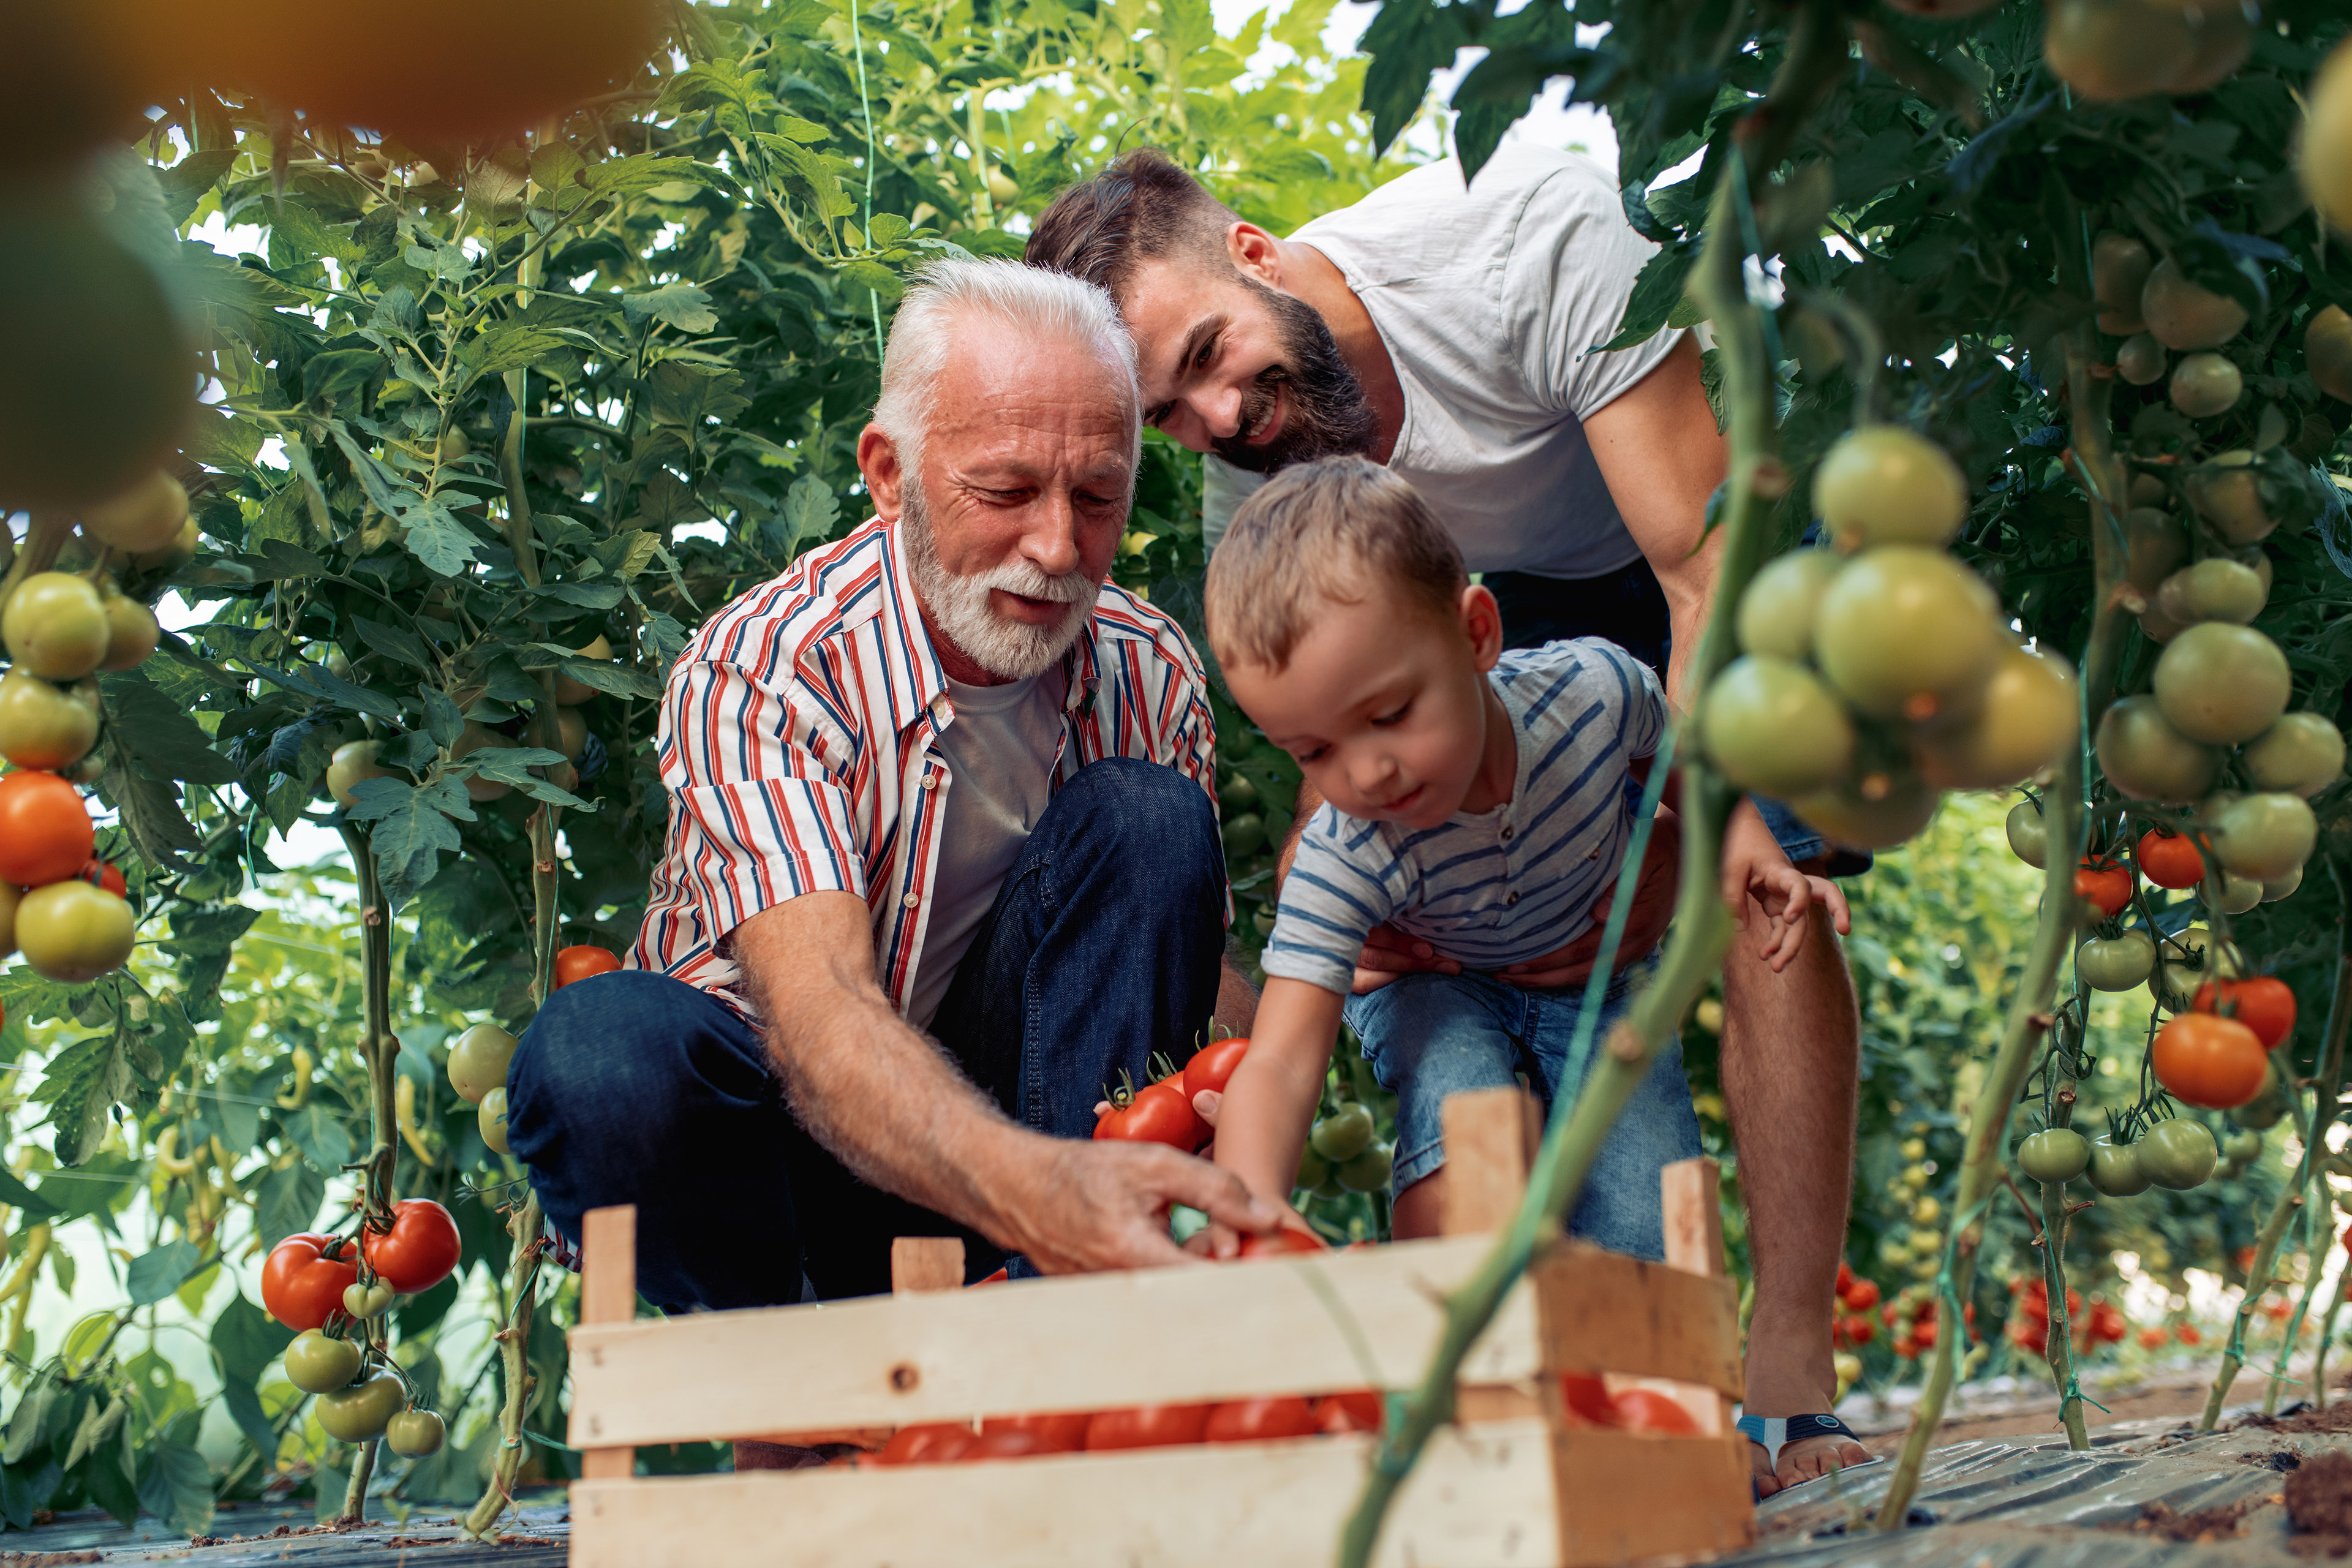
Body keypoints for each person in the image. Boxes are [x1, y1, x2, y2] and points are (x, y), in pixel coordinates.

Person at [1027, 145, 1868, 1493]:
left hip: (1691, 536)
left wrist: (1717, 839)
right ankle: (1550, 1395)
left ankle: (1793, 1373)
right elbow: (1331, 742)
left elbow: (1700, 584)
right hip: (1468, 606)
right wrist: (1332, 948)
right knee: (1426, 920)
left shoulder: (1532, 242)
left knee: (1767, 881)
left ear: (1252, 250)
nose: (1223, 417)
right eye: (1170, 415)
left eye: (1209, 356)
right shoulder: (1266, 461)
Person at [504, 260, 1279, 1468]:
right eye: (1007, 489)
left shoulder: (1149, 669)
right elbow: (821, 1024)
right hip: (788, 1163)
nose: (1059, 546)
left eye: (1100, 495)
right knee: (597, 1056)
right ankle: (795, 1395)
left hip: (1023, 1155)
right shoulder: (766, 668)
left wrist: (1301, 1033)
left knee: (1148, 820)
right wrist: (1045, 1183)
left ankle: (1072, 1374)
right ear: (889, 476)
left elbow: (1167, 969)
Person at [1200, 456, 1820, 1256]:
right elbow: (1281, 1064)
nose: (1366, 773)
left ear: (1477, 634)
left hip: (1591, 983)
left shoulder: (1593, 693)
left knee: (1647, 1222)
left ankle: (1653, 1379)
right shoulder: (1344, 853)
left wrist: (1750, 849)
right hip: (1437, 986)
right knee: (1464, 1128)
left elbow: (1682, 769)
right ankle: (1452, 1350)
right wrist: (1249, 1212)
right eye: (1314, 751)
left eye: (1390, 713)